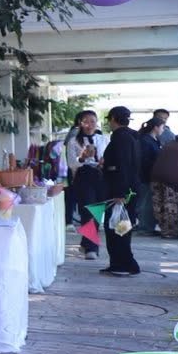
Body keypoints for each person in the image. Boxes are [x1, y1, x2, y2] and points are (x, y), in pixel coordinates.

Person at [100, 106, 145, 276]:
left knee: (118, 227)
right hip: (128, 187)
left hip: (121, 190)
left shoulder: (122, 138)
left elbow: (123, 166)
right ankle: (118, 262)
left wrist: (120, 192)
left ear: (112, 119)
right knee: (119, 226)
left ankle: (125, 263)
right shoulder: (131, 137)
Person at [64, 110, 108, 258]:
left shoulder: (103, 139)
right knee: (88, 211)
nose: (90, 125)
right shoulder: (73, 141)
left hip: (101, 176)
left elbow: (108, 157)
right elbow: (71, 164)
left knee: (97, 211)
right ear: (80, 123)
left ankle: (86, 243)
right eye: (86, 122)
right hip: (83, 176)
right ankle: (91, 248)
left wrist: (103, 162)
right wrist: (82, 158)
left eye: (93, 121)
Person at [150, 129, 178, 238]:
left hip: (156, 175)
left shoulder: (171, 143)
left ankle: (164, 229)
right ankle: (170, 232)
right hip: (173, 178)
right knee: (171, 206)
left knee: (158, 204)